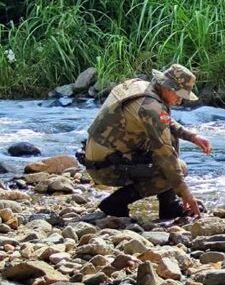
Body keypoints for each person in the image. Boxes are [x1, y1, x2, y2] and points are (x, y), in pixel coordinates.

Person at [80, 64, 213, 219]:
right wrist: (185, 194)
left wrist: (192, 136)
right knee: (178, 168)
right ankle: (115, 203)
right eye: (179, 96)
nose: (179, 102)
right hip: (105, 168)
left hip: (100, 158)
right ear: (168, 88)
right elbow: (166, 156)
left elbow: (163, 122)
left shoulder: (142, 87)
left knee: (168, 139)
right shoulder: (151, 107)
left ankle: (169, 205)